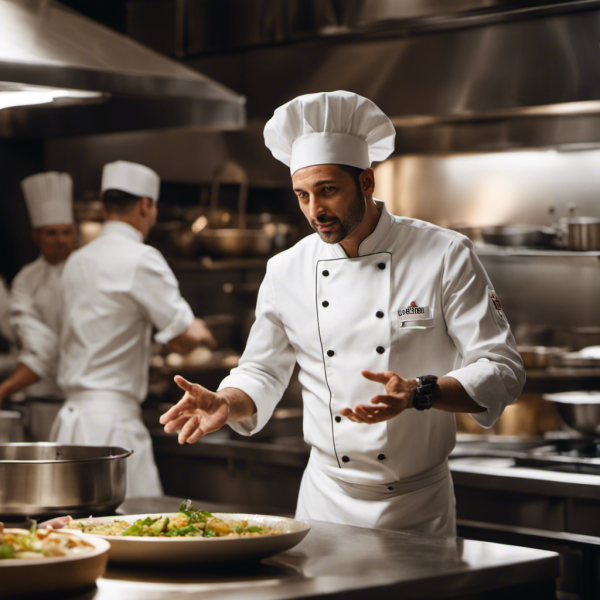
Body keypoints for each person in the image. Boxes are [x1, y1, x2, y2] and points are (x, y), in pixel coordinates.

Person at [160, 91, 525, 536]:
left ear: (367, 183)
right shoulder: (286, 269)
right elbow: (262, 371)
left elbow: (503, 369)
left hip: (417, 506)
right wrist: (227, 401)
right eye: (302, 195)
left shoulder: (444, 254)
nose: (315, 211)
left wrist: (418, 393)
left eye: (328, 191)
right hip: (324, 500)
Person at [53, 160, 216, 498]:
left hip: (70, 424)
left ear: (103, 200)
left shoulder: (76, 261)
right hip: (112, 427)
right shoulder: (141, 258)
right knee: (136, 531)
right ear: (146, 205)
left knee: (74, 534)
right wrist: (204, 332)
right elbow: (184, 340)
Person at [0, 172, 74, 441]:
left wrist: (5, 388)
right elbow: (43, 347)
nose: (61, 240)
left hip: (79, 402)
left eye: (66, 232)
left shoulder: (87, 272)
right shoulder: (25, 280)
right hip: (39, 403)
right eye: (52, 233)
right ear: (36, 236)